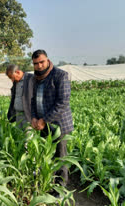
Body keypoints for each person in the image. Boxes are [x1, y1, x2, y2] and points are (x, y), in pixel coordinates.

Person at [30, 49, 74, 186]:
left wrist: (44, 120)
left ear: (47, 60)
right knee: (47, 155)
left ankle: (60, 189)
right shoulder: (34, 79)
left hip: (59, 125)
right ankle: (48, 183)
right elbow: (31, 99)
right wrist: (33, 118)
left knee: (60, 157)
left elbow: (63, 102)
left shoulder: (60, 75)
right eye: (36, 63)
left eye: (42, 62)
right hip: (43, 125)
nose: (39, 66)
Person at [6, 64, 34, 129]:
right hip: (18, 114)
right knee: (19, 136)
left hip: (27, 115)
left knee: (28, 137)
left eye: (12, 77)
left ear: (18, 72)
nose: (12, 80)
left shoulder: (31, 79)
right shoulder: (16, 82)